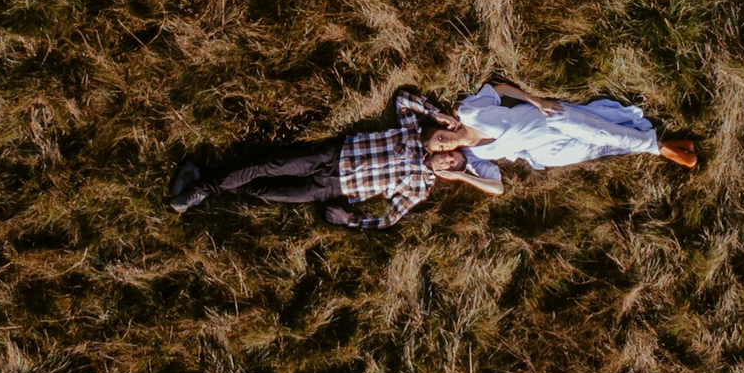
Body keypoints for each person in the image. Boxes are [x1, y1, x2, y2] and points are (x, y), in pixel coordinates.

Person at [169, 90, 470, 227]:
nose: (447, 160)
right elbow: (403, 99)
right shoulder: (414, 134)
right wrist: (435, 113)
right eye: (450, 154)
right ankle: (200, 189)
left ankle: (200, 174)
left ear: (449, 176)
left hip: (333, 189)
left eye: (452, 165)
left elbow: (388, 218)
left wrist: (350, 220)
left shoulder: (420, 190)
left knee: (264, 190)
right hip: (332, 156)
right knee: (265, 166)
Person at [425, 80, 698, 172]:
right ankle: (670, 146)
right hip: (545, 152)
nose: (446, 144)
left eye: (440, 137)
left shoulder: (468, 112)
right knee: (602, 147)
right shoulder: (476, 154)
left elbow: (502, 89)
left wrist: (536, 100)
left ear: (442, 127)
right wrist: (459, 176)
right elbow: (496, 188)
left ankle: (669, 151)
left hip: (548, 118)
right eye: (442, 148)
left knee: (604, 132)